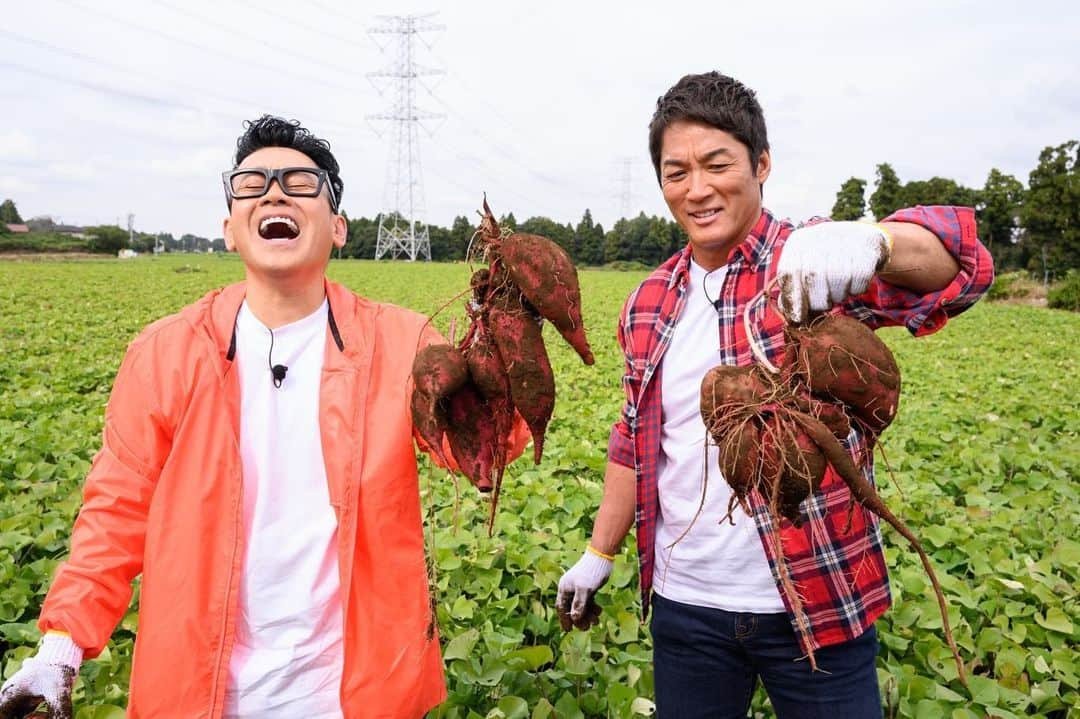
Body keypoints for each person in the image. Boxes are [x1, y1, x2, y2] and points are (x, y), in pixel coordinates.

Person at [0, 116, 524, 719]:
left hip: (354, 694)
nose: (275, 192)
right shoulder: (167, 353)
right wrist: (62, 645)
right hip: (198, 694)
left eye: (301, 182)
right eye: (252, 184)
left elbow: (484, 450)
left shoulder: (404, 343)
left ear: (338, 227)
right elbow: (117, 507)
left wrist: (506, 341)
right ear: (229, 230)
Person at [555, 72, 993, 718]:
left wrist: (879, 244)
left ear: (761, 165)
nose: (697, 188)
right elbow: (635, 438)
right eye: (676, 172)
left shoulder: (811, 259)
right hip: (687, 611)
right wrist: (598, 552)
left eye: (716, 164)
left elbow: (960, 267)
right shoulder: (648, 301)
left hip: (818, 596)